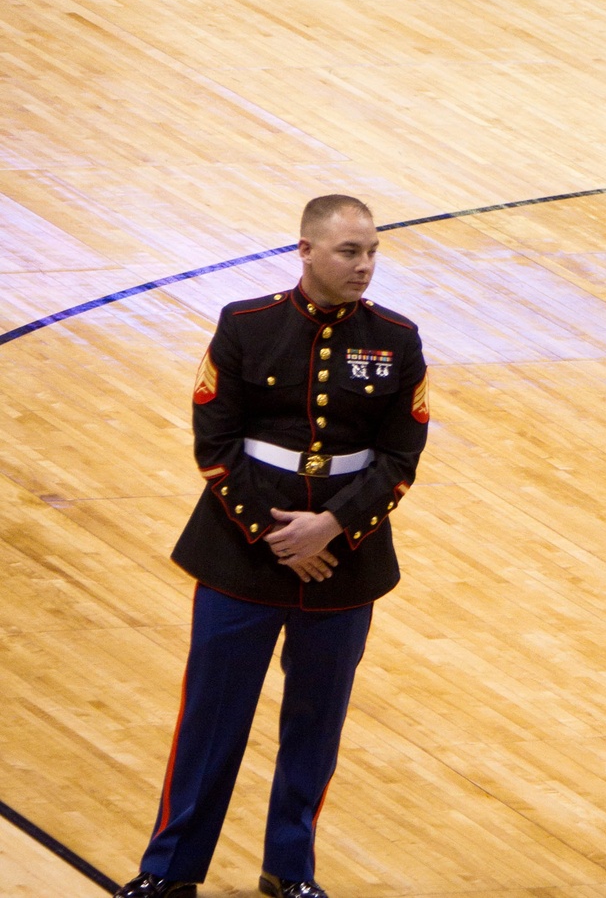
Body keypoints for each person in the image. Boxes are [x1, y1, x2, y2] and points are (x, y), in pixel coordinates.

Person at [116, 194, 429, 898]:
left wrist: (333, 527)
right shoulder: (246, 325)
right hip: (241, 554)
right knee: (210, 720)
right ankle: (169, 872)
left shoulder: (397, 339)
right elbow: (215, 441)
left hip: (345, 561)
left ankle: (291, 871)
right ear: (306, 250)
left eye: (373, 251)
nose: (365, 265)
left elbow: (400, 456)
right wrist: (278, 534)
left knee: (315, 728)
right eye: (350, 251)